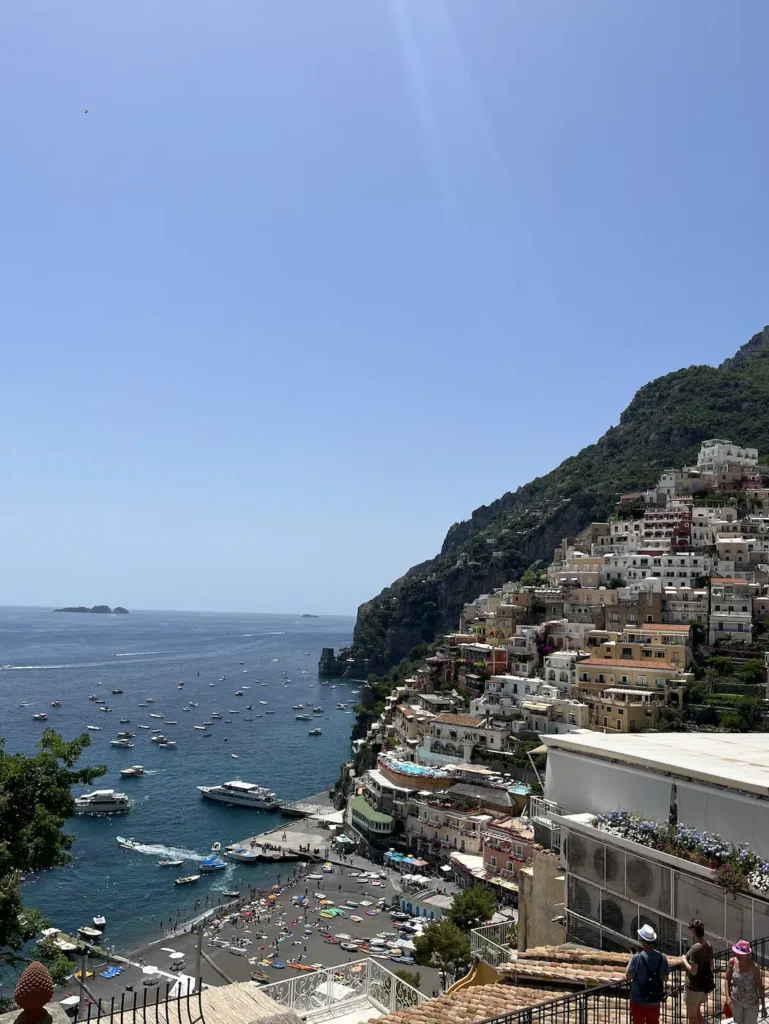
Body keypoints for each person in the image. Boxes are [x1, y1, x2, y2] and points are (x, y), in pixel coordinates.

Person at [626, 924, 670, 1024]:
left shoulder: (637, 958)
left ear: (641, 939)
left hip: (638, 999)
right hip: (654, 999)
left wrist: (631, 959)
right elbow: (666, 978)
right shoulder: (662, 957)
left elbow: (628, 976)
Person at [681, 919, 714, 1024]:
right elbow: (711, 965)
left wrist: (684, 960)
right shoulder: (708, 945)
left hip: (694, 987)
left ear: (694, 931)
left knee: (692, 1017)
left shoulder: (695, 948)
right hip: (703, 987)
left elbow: (693, 971)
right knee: (698, 1012)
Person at [726, 940, 766, 1024]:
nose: (738, 955)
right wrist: (728, 997)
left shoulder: (754, 967)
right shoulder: (732, 962)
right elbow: (727, 979)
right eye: (737, 953)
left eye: (741, 954)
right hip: (736, 1001)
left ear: (748, 955)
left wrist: (763, 1006)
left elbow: (760, 986)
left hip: (751, 1003)